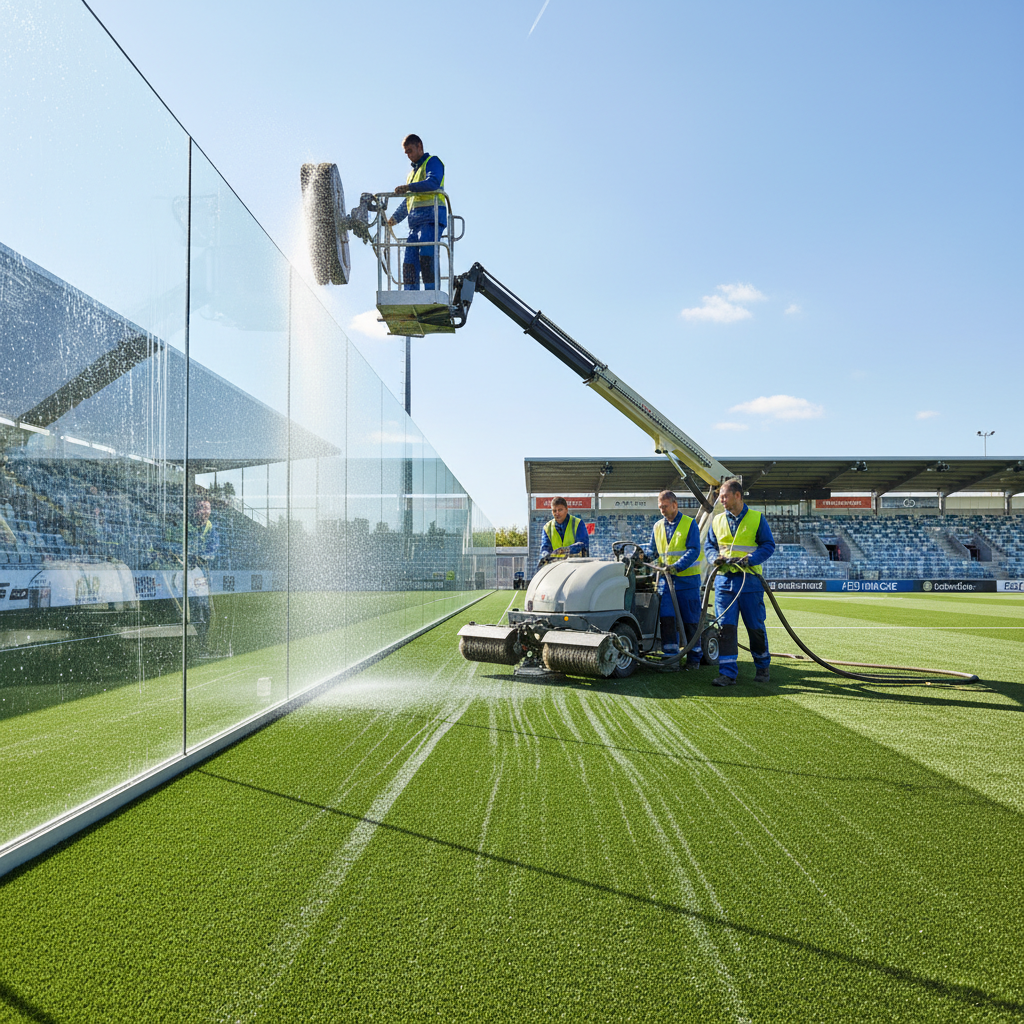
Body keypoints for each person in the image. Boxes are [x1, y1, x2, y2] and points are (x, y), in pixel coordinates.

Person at [704, 477, 776, 686]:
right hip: (725, 582)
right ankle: (727, 673)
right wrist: (713, 558)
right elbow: (709, 546)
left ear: (738, 495)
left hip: (750, 582)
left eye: (724, 496)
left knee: (755, 626)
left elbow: (768, 545)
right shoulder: (717, 520)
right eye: (720, 497)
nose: (721, 500)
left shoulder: (756, 518)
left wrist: (749, 560)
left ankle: (762, 667)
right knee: (725, 629)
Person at [645, 489, 703, 669]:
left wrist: (677, 565)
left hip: (687, 581)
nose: (662, 510)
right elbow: (653, 551)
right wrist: (642, 556)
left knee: (690, 620)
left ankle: (694, 658)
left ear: (674, 505)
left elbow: (694, 550)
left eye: (664, 506)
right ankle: (671, 658)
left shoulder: (689, 524)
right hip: (665, 582)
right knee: (667, 618)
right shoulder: (657, 526)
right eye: (659, 507)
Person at [387, 134, 447, 291]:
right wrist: (393, 219)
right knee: (409, 261)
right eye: (406, 153)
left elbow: (433, 182)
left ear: (419, 146)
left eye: (410, 151)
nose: (409, 156)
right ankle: (410, 294)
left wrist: (408, 188)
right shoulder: (411, 175)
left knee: (427, 254)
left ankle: (432, 293)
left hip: (431, 219)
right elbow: (409, 202)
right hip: (415, 225)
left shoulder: (432, 162)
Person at [538, 497, 589, 566]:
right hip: (556, 567)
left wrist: (565, 550)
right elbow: (545, 548)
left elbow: (583, 545)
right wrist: (545, 556)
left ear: (566, 510)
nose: (557, 513)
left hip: (576, 566)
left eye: (560, 510)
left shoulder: (578, 523)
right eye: (554, 511)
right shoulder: (547, 528)